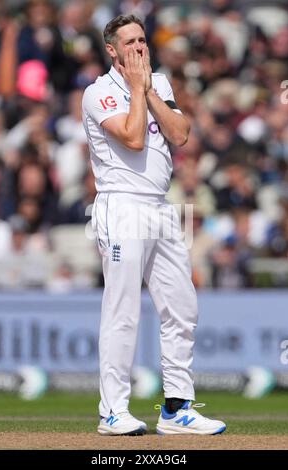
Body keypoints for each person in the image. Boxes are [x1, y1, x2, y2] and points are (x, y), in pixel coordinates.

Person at [82, 14, 226, 436]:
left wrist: (148, 90)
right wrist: (134, 89)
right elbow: (132, 137)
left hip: (162, 206)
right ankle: (113, 410)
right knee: (122, 309)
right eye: (129, 42)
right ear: (112, 50)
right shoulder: (98, 92)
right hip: (121, 205)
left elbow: (180, 134)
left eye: (142, 40)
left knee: (182, 308)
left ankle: (177, 408)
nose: (139, 48)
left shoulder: (159, 83)